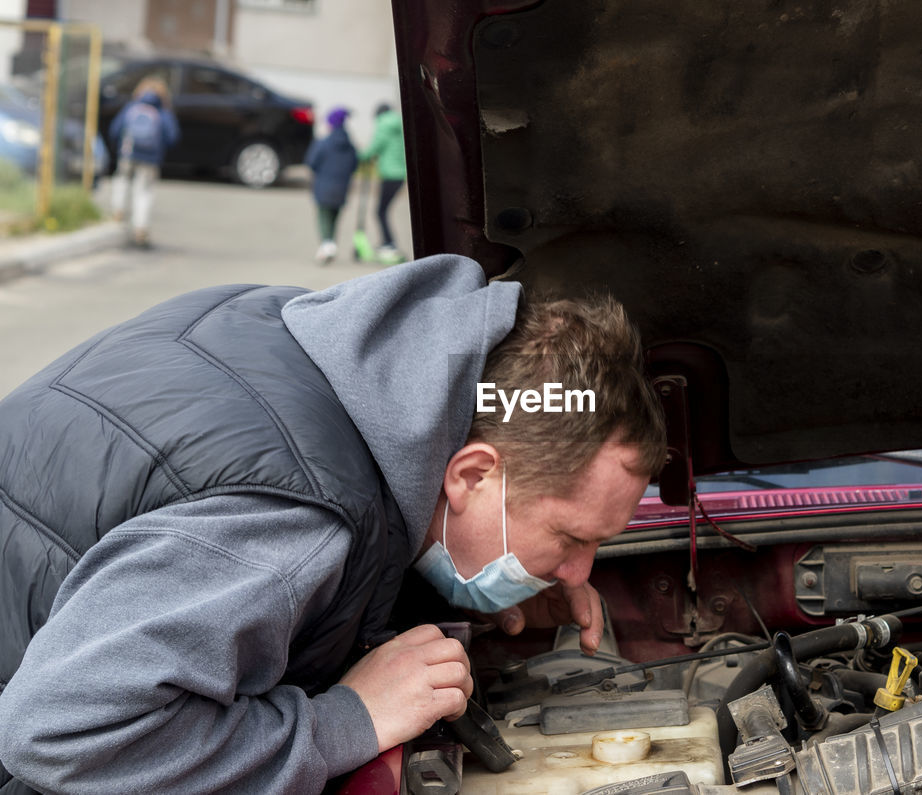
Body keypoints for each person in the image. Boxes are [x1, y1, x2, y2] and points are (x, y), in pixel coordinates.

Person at [0, 254, 666, 794]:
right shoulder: (294, 517)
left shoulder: (336, 357)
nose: (580, 570)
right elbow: (62, 736)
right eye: (572, 538)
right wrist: (348, 720)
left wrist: (467, 590)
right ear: (470, 475)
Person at [107, 77, 180, 249]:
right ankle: (140, 227)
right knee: (144, 192)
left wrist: (119, 146)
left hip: (128, 152)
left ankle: (118, 211)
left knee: (122, 180)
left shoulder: (132, 107)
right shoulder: (162, 111)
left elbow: (115, 129)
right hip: (150, 159)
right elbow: (172, 136)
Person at [305, 107, 360, 264]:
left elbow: (311, 162)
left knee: (323, 216)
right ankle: (330, 245)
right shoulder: (350, 146)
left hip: (323, 187)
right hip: (342, 188)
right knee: (334, 217)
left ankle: (326, 245)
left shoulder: (323, 143)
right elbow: (354, 165)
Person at [360, 102, 407, 264]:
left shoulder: (384, 126)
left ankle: (390, 244)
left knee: (380, 211)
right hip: (400, 175)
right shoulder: (398, 125)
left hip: (390, 175)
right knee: (382, 210)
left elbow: (373, 148)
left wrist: (361, 157)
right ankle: (388, 243)